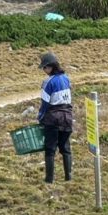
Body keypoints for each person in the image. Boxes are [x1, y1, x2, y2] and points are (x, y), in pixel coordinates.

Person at [38, 52, 73, 183]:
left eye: (44, 67)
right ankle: (68, 177)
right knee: (65, 148)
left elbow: (45, 103)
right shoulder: (66, 78)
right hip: (67, 117)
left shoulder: (47, 82)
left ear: (51, 67)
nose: (44, 70)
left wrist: (41, 117)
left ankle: (49, 179)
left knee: (50, 149)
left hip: (53, 118)